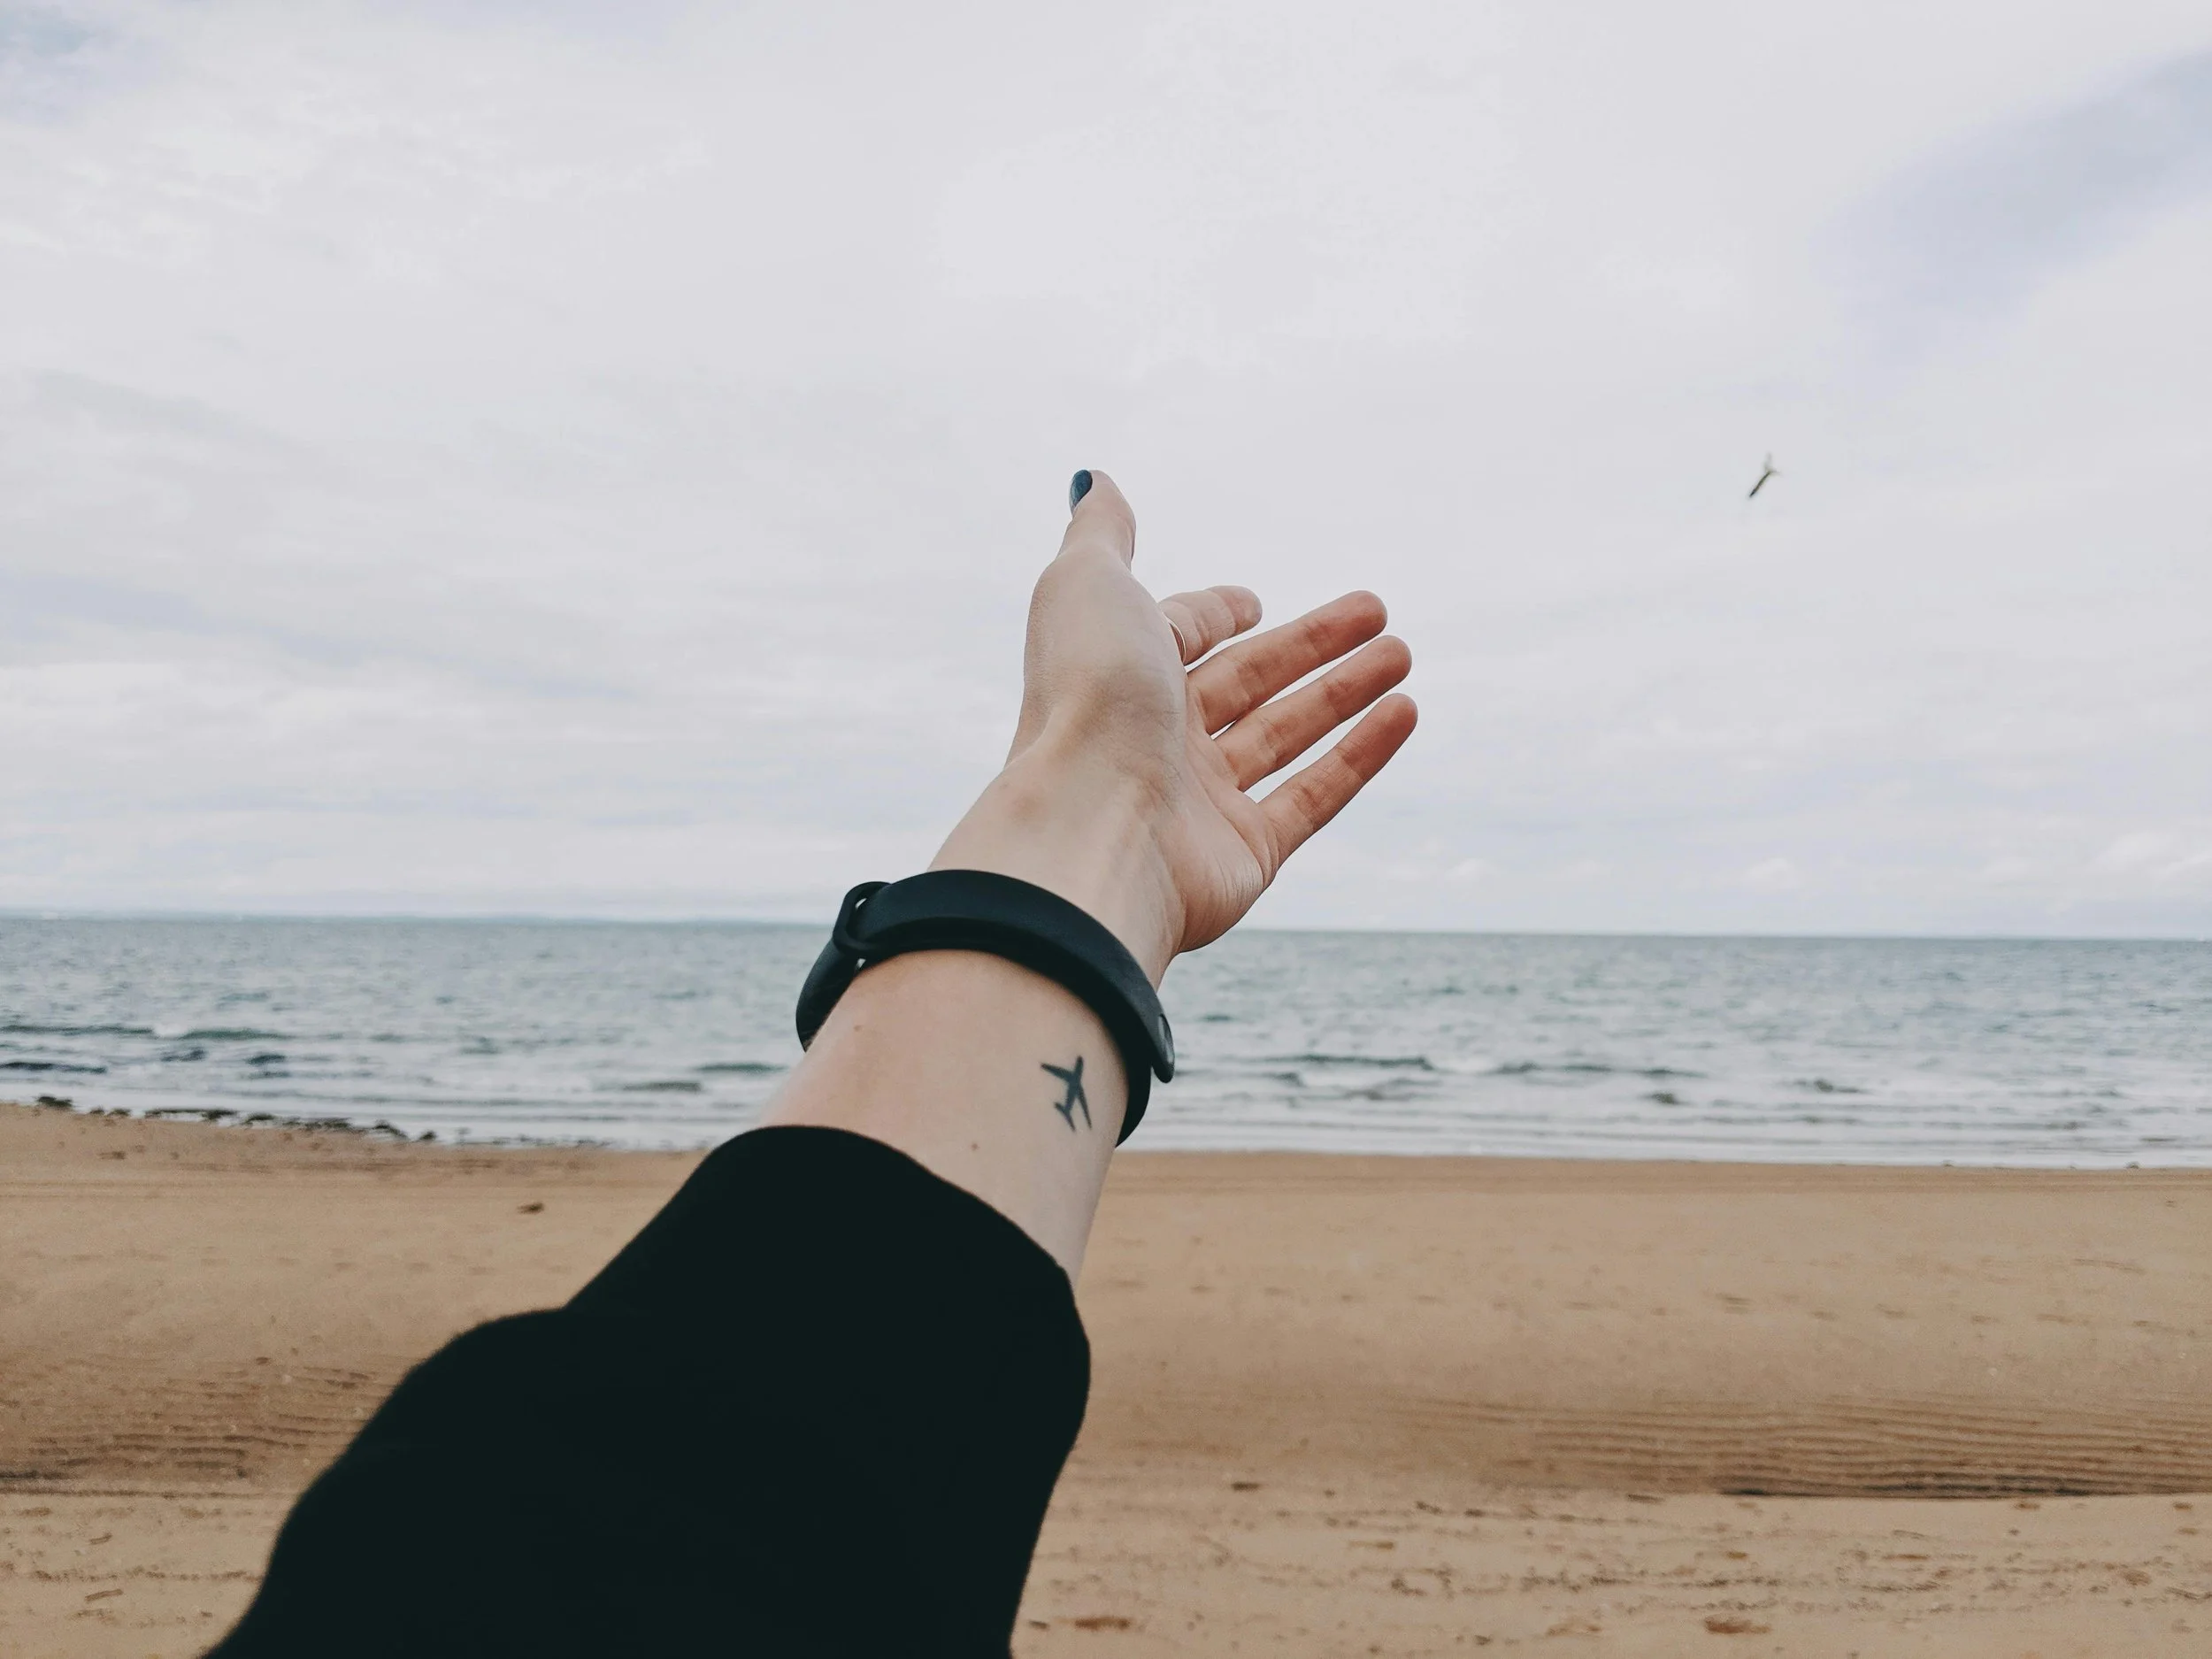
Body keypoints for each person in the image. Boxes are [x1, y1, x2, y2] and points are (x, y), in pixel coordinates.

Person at [204, 471, 1417, 1657]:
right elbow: (725, 1516)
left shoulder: (465, 1558)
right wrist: (1110, 820)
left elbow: (651, 1520)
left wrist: (1102, 806)